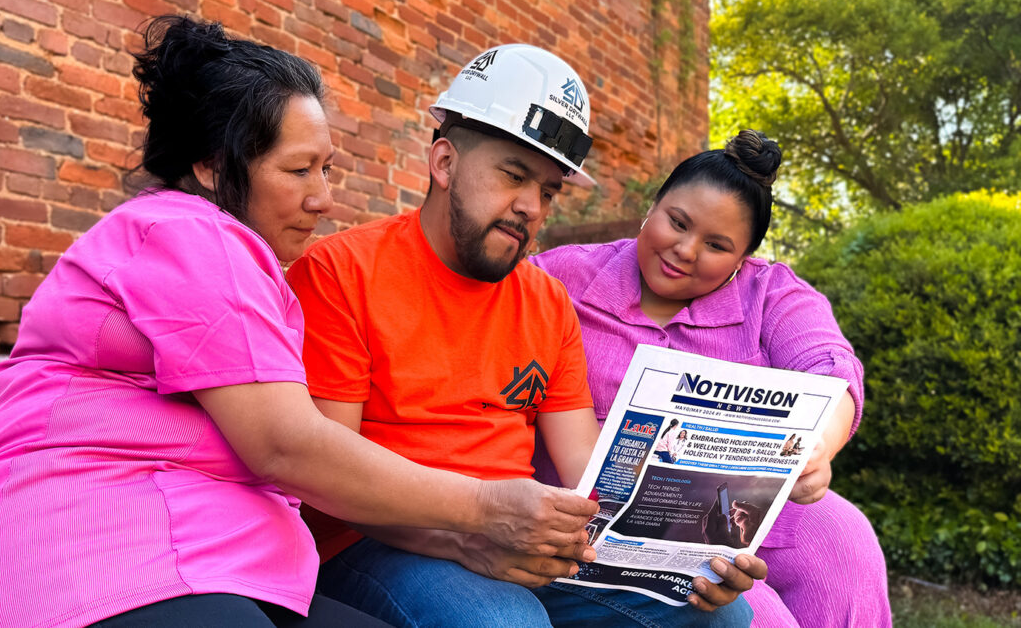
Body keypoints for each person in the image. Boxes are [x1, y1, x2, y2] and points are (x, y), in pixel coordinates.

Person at [0, 17, 601, 628]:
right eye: (299, 169)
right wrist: (482, 514)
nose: (325, 197)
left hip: (203, 561)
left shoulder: (231, 258)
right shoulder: (185, 235)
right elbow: (288, 446)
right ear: (214, 166)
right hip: (85, 562)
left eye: (327, 169)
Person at [288, 44, 762, 627]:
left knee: (722, 616)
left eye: (548, 190)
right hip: (374, 542)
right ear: (444, 163)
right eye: (513, 176)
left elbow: (589, 466)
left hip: (518, 540)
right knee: (505, 621)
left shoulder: (546, 301)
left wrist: (685, 550)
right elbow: (328, 479)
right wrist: (467, 535)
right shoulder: (342, 271)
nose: (530, 207)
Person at [530, 129, 893, 627]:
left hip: (735, 508)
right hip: (601, 529)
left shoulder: (767, 294)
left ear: (743, 259)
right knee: (755, 618)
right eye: (677, 222)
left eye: (717, 245)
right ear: (653, 205)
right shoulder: (560, 278)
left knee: (842, 538)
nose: (684, 250)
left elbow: (831, 365)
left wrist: (820, 445)